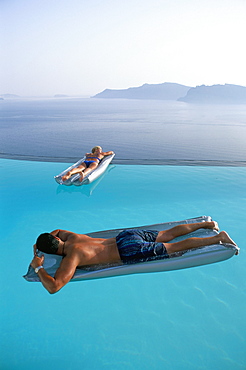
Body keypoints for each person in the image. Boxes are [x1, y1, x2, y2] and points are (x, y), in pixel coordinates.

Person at [30, 221, 237, 294]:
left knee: (174, 247)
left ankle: (218, 238)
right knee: (169, 234)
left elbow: (54, 287)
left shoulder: (71, 258)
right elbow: (55, 230)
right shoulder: (71, 236)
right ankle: (207, 225)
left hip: (128, 250)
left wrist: (38, 267)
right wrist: (40, 244)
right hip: (126, 236)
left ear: (52, 252)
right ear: (56, 239)